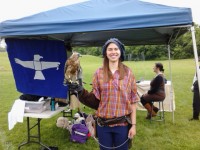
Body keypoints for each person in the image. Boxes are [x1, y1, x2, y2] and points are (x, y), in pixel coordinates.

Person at [68, 38, 138, 150]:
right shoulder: (98, 73)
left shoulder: (128, 73)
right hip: (103, 126)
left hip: (122, 125)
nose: (113, 52)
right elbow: (95, 102)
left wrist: (133, 126)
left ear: (120, 52)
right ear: (106, 52)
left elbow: (133, 101)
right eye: (110, 49)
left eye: (116, 49)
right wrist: (81, 92)